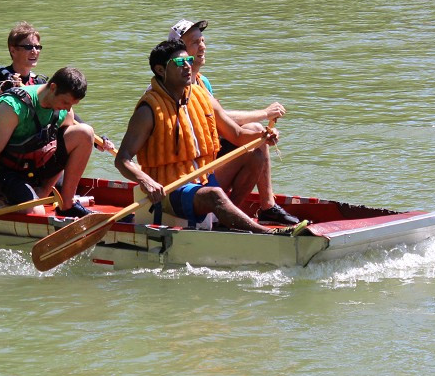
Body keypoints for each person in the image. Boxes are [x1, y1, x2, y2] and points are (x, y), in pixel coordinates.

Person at [115, 40, 304, 235]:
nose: (188, 66)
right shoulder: (148, 111)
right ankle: (266, 234)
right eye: (180, 63)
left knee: (256, 154)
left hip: (204, 179)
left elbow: (238, 135)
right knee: (214, 195)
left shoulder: (202, 96)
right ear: (161, 70)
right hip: (170, 191)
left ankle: (226, 223)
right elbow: (122, 159)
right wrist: (146, 181)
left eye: (188, 60)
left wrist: (263, 135)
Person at [167, 19, 301, 225]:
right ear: (179, 52)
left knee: (256, 137)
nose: (202, 46)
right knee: (256, 131)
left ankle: (255, 209)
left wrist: (261, 135)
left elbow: (219, 123)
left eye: (202, 40)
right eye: (194, 42)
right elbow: (221, 120)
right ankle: (232, 215)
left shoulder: (203, 82)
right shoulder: (174, 88)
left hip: (206, 163)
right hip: (186, 177)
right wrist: (264, 114)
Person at [0, 66, 96, 219]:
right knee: (36, 212)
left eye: (72, 104)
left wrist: (45, 190)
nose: (68, 108)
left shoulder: (64, 110)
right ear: (53, 88)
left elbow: (60, 154)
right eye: (65, 102)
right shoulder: (12, 107)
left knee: (85, 133)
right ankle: (2, 198)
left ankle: (67, 204)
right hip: (6, 172)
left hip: (35, 166)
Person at [0, 21, 51, 125]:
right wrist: (0, 92)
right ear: (13, 51)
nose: (34, 51)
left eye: (37, 47)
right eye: (28, 47)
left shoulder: (39, 82)